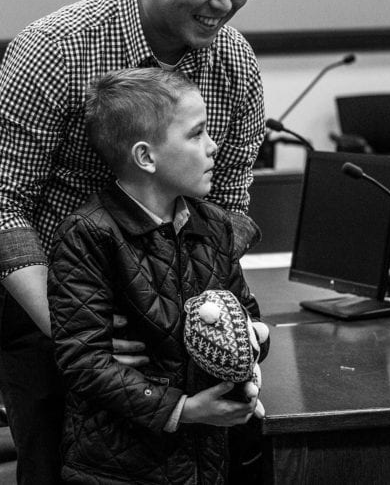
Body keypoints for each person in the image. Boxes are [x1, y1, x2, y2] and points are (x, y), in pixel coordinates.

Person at [0, 0, 265, 483]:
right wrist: (86, 331)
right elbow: (2, 212)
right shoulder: (54, 49)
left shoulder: (237, 64)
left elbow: (232, 212)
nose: (224, 3)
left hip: (170, 324)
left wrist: (214, 326)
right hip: (51, 313)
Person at [48, 67, 269, 483]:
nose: (213, 146)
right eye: (196, 134)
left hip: (206, 458)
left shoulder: (215, 225)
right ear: (146, 157)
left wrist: (252, 343)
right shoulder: (89, 235)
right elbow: (83, 362)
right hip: (121, 467)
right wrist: (181, 410)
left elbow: (248, 313)